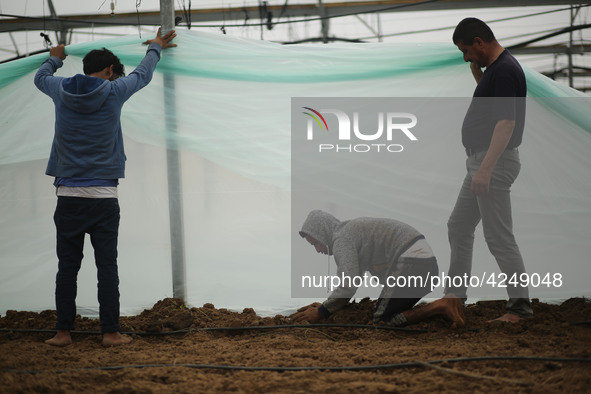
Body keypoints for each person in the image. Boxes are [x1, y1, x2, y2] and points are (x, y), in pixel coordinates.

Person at [34, 28, 178, 347]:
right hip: (103, 198)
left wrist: (54, 60)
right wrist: (155, 47)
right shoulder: (114, 92)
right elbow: (143, 74)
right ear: (110, 71)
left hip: (68, 197)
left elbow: (40, 78)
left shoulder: (59, 88)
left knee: (67, 268)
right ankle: (110, 333)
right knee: (107, 268)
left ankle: (62, 332)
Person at [444, 17, 533, 322]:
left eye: (466, 51)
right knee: (458, 226)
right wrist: (477, 75)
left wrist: (485, 169)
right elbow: (493, 106)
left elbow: (506, 122)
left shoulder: (506, 70)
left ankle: (520, 308)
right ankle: (454, 298)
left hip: (491, 162)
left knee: (499, 237)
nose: (466, 57)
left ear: (479, 42)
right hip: (480, 163)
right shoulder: (496, 71)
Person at [291, 210, 465, 328]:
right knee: (391, 311)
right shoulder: (352, 233)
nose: (318, 250)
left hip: (412, 264)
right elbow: (353, 281)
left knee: (382, 319)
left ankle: (440, 306)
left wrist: (321, 313)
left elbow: (348, 285)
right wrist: (328, 305)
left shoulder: (341, 240)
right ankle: (447, 302)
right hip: (426, 265)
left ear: (322, 233)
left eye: (315, 243)